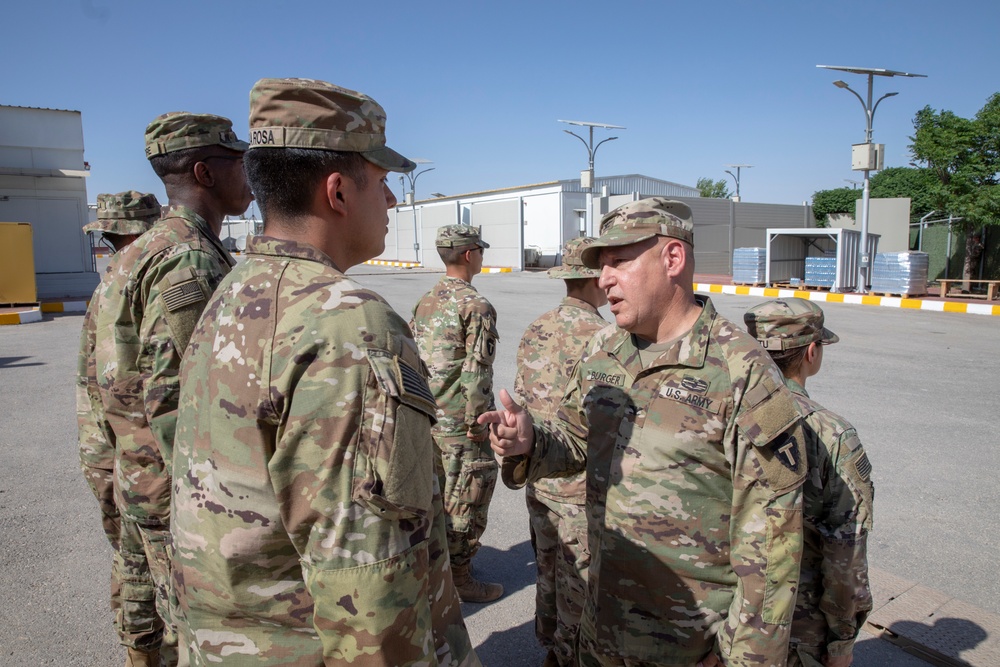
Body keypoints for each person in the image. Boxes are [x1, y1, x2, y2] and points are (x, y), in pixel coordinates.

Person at [171, 77, 479, 667]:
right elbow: (368, 582)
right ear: (338, 191)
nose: (391, 202)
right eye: (384, 183)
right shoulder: (347, 323)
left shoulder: (232, 289)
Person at [480, 197, 808, 666]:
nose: (604, 278)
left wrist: (748, 659)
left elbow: (773, 550)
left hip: (689, 644)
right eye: (600, 266)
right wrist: (531, 442)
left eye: (618, 261)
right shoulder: (603, 350)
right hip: (600, 623)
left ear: (672, 258)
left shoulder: (742, 371)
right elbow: (574, 443)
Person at [95, 112, 252, 666]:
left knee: (159, 625)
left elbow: (105, 381)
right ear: (206, 172)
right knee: (197, 633)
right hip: (174, 492)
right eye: (240, 162)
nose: (250, 174)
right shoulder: (189, 257)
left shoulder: (137, 251)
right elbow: (180, 399)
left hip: (137, 474)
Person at [743, 298, 874, 667]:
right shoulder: (831, 434)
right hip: (797, 628)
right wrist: (842, 642)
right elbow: (844, 552)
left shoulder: (724, 415)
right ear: (812, 352)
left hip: (727, 612)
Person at [508, 237, 607, 667]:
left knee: (547, 569)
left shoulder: (537, 328)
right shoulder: (606, 337)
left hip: (540, 476)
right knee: (580, 587)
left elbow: (521, 397)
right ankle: (568, 656)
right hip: (579, 486)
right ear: (595, 278)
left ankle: (550, 647)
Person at [77, 191, 162, 666]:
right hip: (141, 459)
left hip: (108, 453)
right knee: (152, 568)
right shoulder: (145, 279)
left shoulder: (108, 283)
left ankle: (138, 652)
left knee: (132, 565)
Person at [411, 225, 502, 603]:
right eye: (480, 249)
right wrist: (479, 423)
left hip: (429, 418)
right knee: (468, 497)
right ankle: (460, 578)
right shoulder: (475, 306)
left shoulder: (425, 300)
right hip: (462, 423)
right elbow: (476, 370)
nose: (482, 255)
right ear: (469, 255)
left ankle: (440, 570)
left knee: (438, 498)